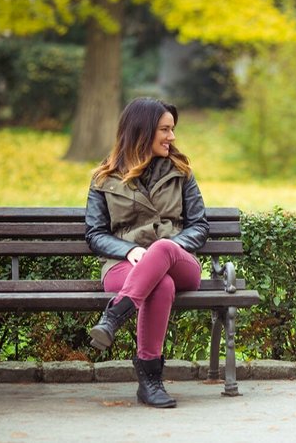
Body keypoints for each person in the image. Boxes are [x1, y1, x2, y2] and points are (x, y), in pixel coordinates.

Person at [85, 97, 209, 408]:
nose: (172, 137)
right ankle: (150, 381)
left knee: (163, 248)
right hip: (123, 267)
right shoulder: (104, 178)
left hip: (180, 262)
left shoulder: (181, 172)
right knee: (160, 284)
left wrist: (167, 250)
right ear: (142, 131)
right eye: (165, 130)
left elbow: (199, 226)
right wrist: (129, 251)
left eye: (173, 129)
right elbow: (95, 234)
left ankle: (114, 317)